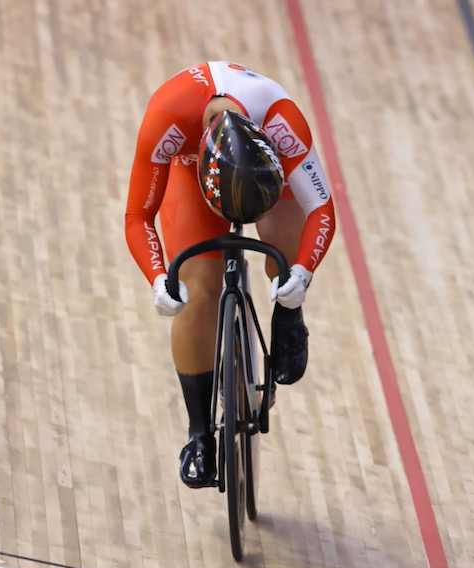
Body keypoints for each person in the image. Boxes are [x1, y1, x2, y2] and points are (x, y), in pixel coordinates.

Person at [125, 62, 337, 488]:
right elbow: (137, 214)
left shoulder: (280, 119)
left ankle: (289, 319)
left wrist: (302, 272)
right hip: (192, 173)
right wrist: (156, 277)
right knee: (198, 291)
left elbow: (322, 209)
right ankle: (199, 436)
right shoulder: (166, 120)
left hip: (263, 176)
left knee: (285, 247)